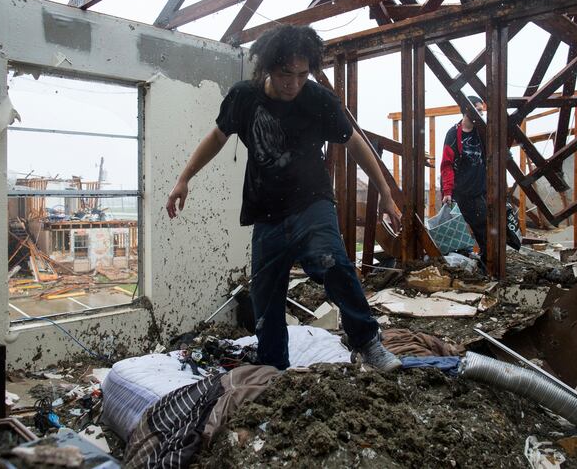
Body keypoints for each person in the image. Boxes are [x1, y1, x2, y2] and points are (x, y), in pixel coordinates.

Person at [165, 24, 403, 372]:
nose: (293, 83)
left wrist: (384, 191)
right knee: (265, 298)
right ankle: (274, 367)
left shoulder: (317, 99)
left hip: (312, 202)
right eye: (285, 74)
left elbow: (354, 142)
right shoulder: (243, 98)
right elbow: (217, 137)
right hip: (266, 212)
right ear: (267, 68)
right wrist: (184, 178)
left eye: (302, 74)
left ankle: (367, 343)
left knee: (332, 261)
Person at [440, 96, 488, 270]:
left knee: (484, 230)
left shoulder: (482, 131)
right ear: (468, 111)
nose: (482, 114)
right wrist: (447, 192)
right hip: (459, 191)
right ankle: (458, 267)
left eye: (482, 110)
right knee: (455, 232)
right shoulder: (453, 134)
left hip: (479, 190)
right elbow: (446, 166)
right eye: (478, 110)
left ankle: (485, 267)